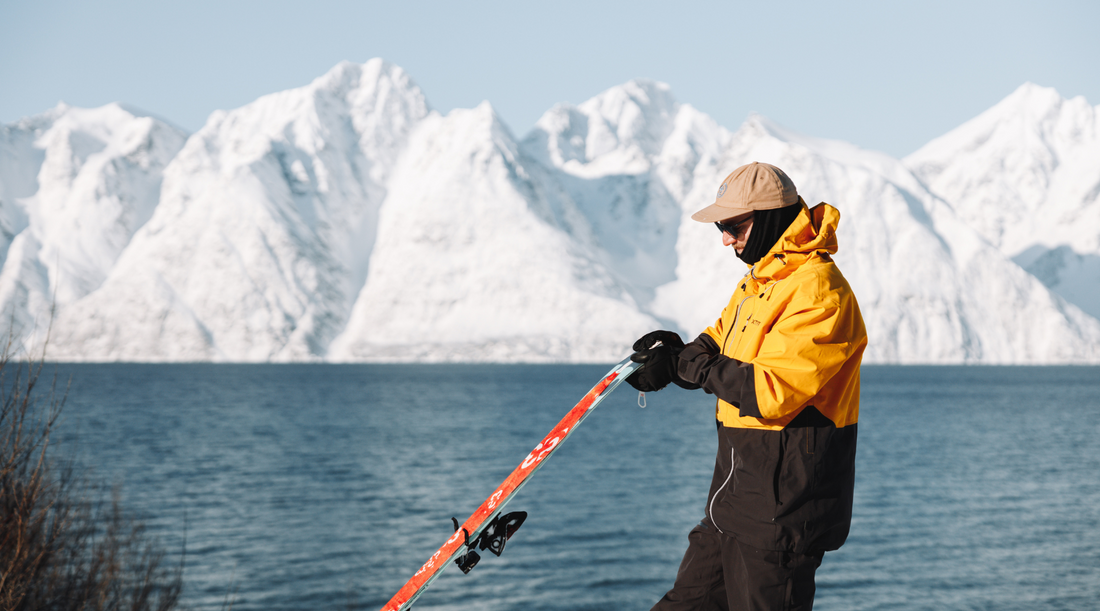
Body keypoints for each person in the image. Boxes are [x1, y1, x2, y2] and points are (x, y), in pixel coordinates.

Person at [627, 162, 867, 611]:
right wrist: (671, 357)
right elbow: (716, 342)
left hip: (781, 517)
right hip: (732, 504)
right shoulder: (759, 282)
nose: (725, 238)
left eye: (734, 225)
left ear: (771, 217)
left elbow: (770, 392)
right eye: (721, 226)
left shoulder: (818, 292)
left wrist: (690, 366)